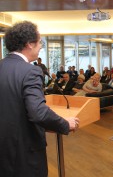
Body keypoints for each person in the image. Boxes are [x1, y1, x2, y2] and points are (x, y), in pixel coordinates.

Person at [0, 21, 79, 176]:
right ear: (29, 44)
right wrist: (65, 123)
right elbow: (38, 112)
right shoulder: (31, 71)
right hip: (24, 152)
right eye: (40, 42)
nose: (41, 46)